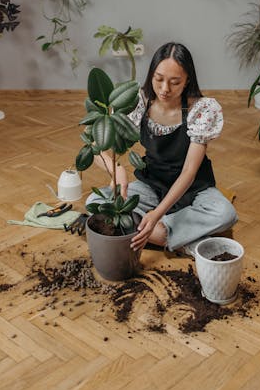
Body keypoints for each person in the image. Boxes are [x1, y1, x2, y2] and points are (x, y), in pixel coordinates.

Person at [86, 41, 237, 255]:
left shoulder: (201, 109)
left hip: (194, 190)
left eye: (175, 82)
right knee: (95, 201)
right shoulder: (139, 102)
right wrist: (116, 171)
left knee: (225, 214)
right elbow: (97, 146)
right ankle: (184, 241)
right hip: (151, 185)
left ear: (187, 81)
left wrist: (156, 215)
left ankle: (152, 232)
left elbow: (189, 173)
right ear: (151, 76)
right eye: (159, 79)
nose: (165, 89)